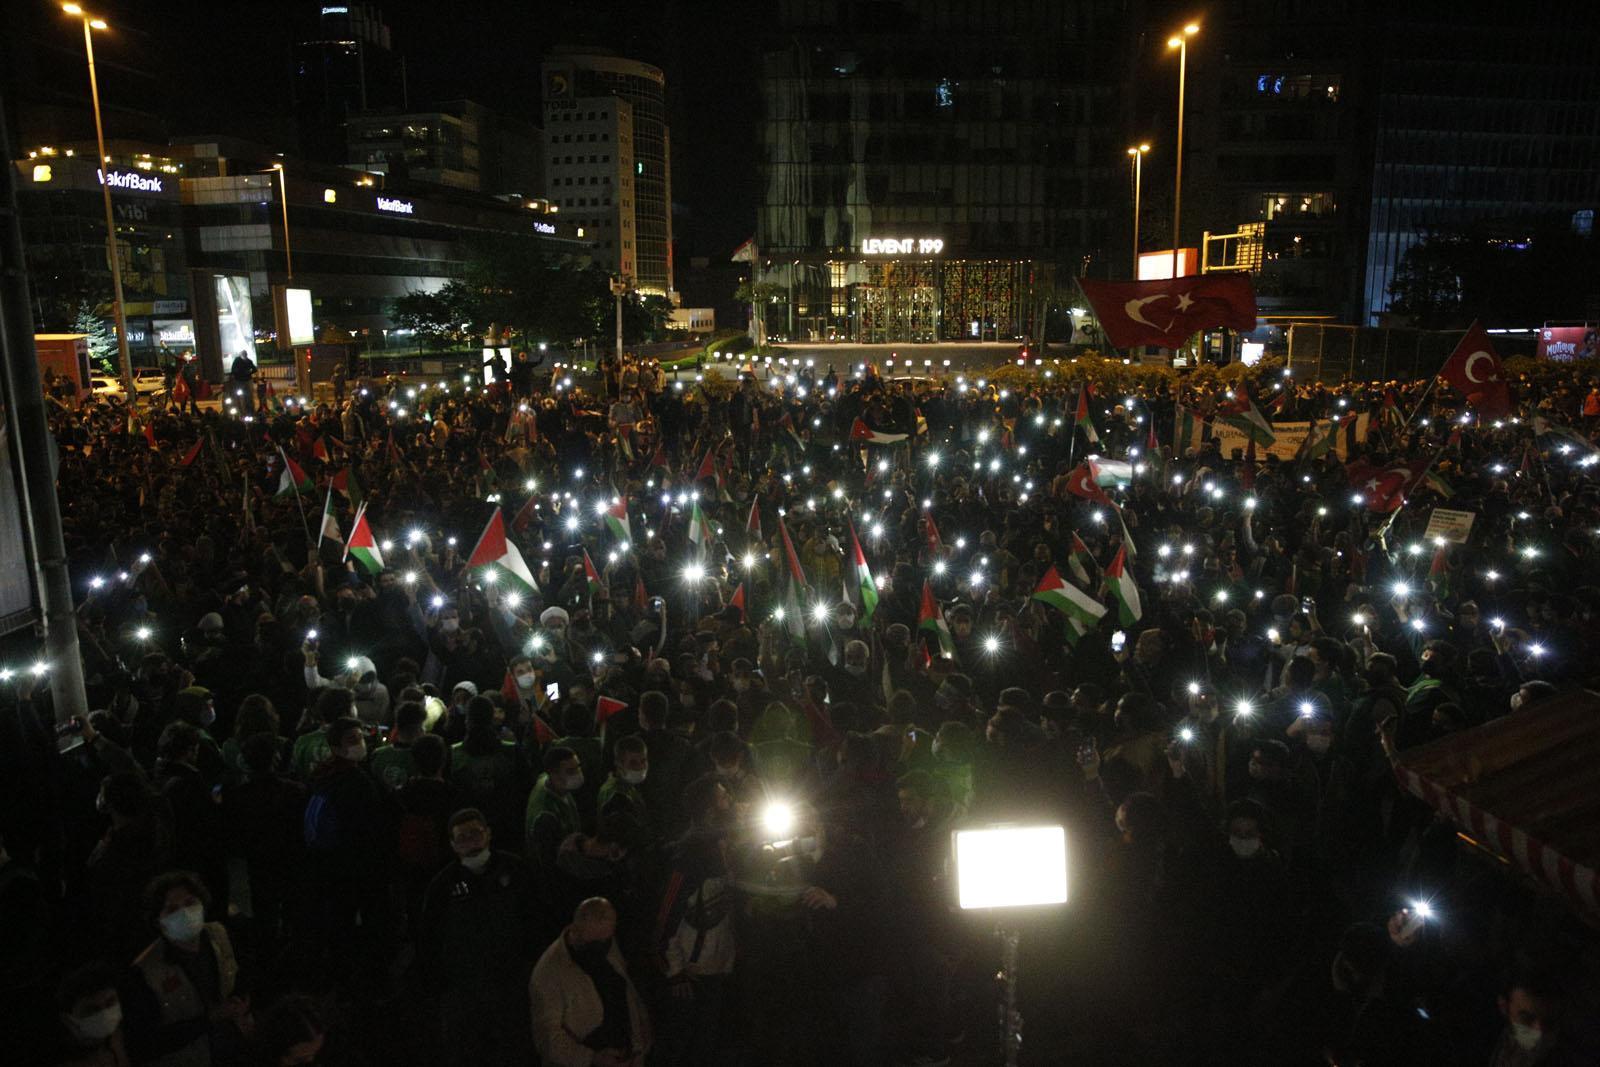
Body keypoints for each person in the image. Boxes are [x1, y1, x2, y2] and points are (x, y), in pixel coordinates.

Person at [419, 809, 539, 1066]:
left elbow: (535, 917)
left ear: (488, 834)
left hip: (511, 980)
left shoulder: (515, 870)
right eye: (462, 838)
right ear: (452, 845)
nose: (471, 842)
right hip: (464, 988)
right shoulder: (442, 886)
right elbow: (429, 938)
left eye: (475, 833)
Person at [123, 870, 249, 1067]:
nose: (185, 913)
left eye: (190, 903)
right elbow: (145, 1045)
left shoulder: (219, 934)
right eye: (172, 909)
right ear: (159, 921)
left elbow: (239, 976)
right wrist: (208, 1019)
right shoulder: (146, 971)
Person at [529, 897, 651, 1067]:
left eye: (606, 940)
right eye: (595, 942)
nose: (602, 948)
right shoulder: (549, 972)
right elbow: (547, 1037)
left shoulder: (604, 942)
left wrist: (641, 1028)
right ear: (575, 931)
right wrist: (592, 1058)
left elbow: (624, 986)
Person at [51, 962, 131, 1067]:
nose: (105, 1015)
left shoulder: (120, 1039)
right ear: (68, 1020)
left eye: (110, 1002)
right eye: (91, 1010)